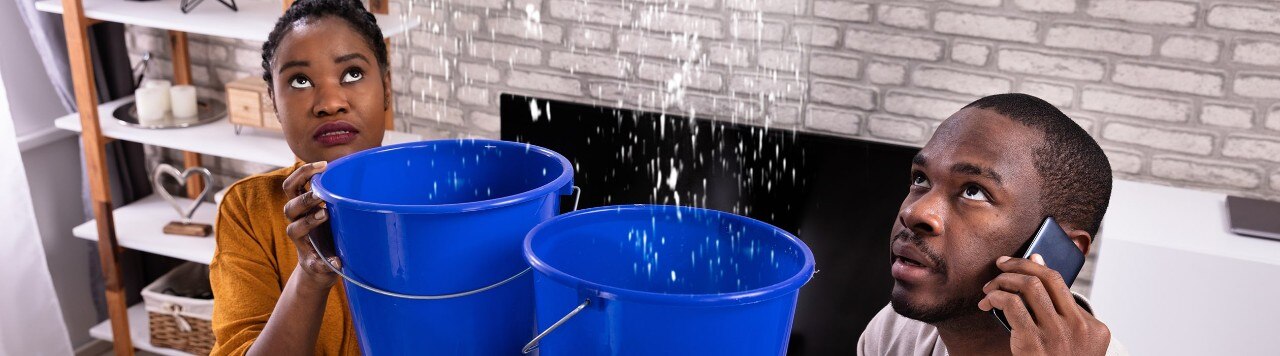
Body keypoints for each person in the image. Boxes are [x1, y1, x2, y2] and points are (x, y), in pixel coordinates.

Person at [858, 93, 1127, 355]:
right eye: (921, 180)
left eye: (974, 191)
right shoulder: (896, 331)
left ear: (1058, 249)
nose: (915, 212)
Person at [208, 0, 390, 354]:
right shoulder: (248, 210)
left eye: (352, 73)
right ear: (274, 103)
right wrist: (310, 276)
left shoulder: (439, 196)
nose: (330, 102)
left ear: (386, 86)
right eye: (301, 80)